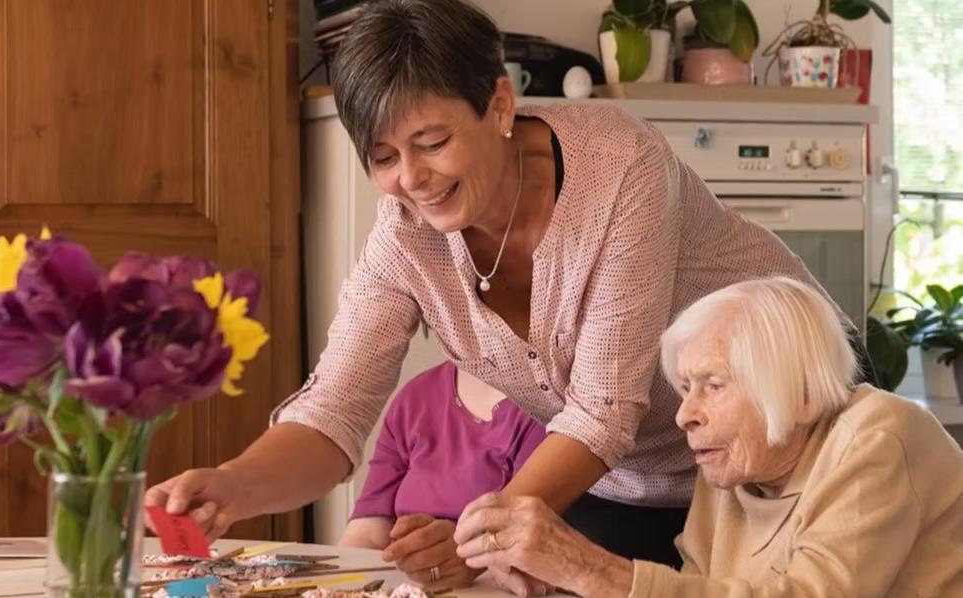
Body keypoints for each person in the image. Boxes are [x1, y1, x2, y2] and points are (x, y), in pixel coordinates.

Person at [145, 0, 871, 591]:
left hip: (789, 439)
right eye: (384, 157)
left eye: (432, 142)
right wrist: (233, 487)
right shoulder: (403, 238)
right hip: (632, 480)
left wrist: (479, 536)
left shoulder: (620, 166)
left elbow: (601, 411)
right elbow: (334, 411)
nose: (412, 179)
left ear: (497, 105)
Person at [454, 277, 963, 597]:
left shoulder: (877, 437)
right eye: (686, 388)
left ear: (802, 396)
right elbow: (701, 587)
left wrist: (591, 571)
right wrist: (564, 582)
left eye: (713, 386)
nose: (685, 415)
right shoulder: (737, 459)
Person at [339, 361, 545, 590]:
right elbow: (366, 534)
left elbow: (518, 548)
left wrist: (464, 558)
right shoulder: (414, 398)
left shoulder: (545, 408)